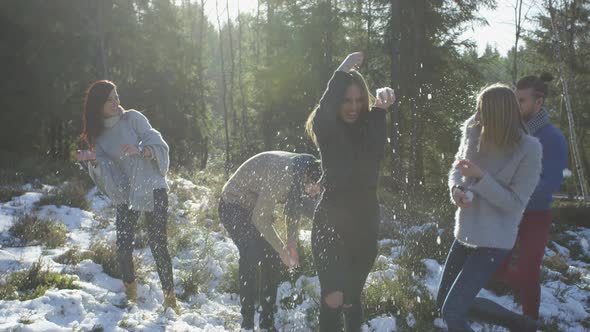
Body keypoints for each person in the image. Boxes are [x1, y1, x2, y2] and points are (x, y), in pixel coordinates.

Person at [438, 84, 542, 332]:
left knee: (452, 311)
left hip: (495, 240)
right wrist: (456, 190)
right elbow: (457, 167)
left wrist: (480, 178)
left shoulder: (529, 149)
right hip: (465, 233)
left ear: (499, 114)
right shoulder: (474, 130)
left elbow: (515, 204)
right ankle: (521, 324)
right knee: (444, 303)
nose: (477, 116)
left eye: (482, 111)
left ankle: (520, 324)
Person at [305, 52, 395, 331]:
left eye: (359, 100)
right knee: (333, 297)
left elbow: (372, 155)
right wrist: (341, 70)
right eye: (346, 100)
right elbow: (321, 114)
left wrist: (381, 108)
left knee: (351, 300)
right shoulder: (328, 130)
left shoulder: (372, 127)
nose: (353, 107)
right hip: (330, 224)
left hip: (365, 224)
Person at [76, 80, 178, 313]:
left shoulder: (132, 118)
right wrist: (94, 161)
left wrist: (142, 151)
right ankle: (131, 296)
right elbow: (108, 175)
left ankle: (171, 300)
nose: (116, 102)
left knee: (158, 245)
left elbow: (157, 141)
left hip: (153, 187)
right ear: (98, 105)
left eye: (117, 96)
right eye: (110, 99)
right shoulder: (99, 137)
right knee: (123, 247)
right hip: (128, 194)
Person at [492, 74, 568, 325]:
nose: (516, 106)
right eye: (515, 100)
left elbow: (550, 183)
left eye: (521, 100)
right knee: (496, 269)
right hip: (509, 213)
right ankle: (521, 290)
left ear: (539, 102)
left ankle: (529, 323)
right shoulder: (511, 133)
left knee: (528, 270)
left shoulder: (552, 138)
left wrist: (513, 191)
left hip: (536, 215)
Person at [218, 151, 322, 331]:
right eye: (313, 188)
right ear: (307, 176)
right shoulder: (284, 175)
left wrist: (291, 245)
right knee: (250, 253)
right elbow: (260, 218)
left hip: (253, 206)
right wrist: (282, 249)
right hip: (232, 205)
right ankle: (248, 323)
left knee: (272, 258)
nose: (313, 193)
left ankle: (267, 323)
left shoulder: (301, 169)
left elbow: (293, 211)